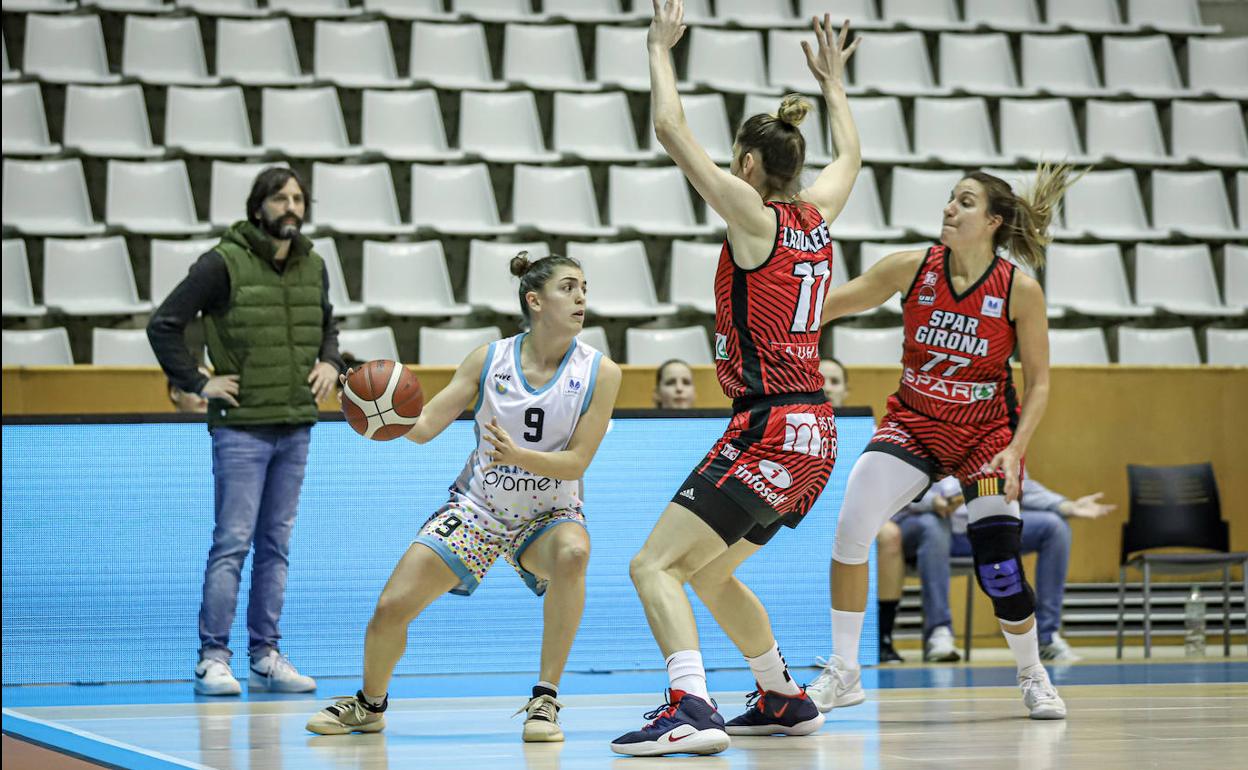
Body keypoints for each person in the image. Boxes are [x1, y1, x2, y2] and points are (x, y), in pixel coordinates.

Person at [611, 4, 861, 757]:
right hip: (817, 434)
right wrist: (834, 84)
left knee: (653, 566)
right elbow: (851, 155)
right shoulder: (818, 215)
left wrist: (659, 49)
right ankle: (783, 697)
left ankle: (690, 705)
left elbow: (669, 129)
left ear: (749, 166)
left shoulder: (755, 217)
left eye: (734, 162)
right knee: (714, 573)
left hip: (771, 423)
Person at [306, 253, 622, 743]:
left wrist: (518, 456)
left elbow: (577, 462)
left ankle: (545, 698)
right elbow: (423, 428)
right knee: (391, 607)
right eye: (568, 287)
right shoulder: (489, 359)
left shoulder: (602, 372)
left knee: (575, 552)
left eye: (584, 287)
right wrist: (371, 403)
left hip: (549, 514)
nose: (581, 297)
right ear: (535, 301)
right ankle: (369, 705)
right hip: (478, 510)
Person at [805, 161, 1081, 720]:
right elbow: (827, 307)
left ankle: (1032, 673)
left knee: (999, 568)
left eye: (965, 202)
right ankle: (844, 670)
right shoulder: (912, 267)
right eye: (951, 198)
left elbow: (1040, 383)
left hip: (986, 440)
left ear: (994, 222)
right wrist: (773, 312)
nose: (949, 208)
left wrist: (1016, 449)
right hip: (914, 425)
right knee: (853, 523)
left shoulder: (1019, 290)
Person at [147, 167, 345, 696]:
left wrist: (331, 361)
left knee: (275, 545)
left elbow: (327, 323)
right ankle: (212, 658)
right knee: (233, 543)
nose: (291, 206)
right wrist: (197, 382)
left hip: (296, 424)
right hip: (241, 428)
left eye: (298, 198)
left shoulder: (314, 264)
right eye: (280, 198)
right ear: (258, 207)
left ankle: (265, 657)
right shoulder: (222, 262)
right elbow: (163, 324)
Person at [893, 473, 1114, 663]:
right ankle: (938, 633)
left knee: (1054, 526)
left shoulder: (996, 440)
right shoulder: (926, 438)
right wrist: (932, 502)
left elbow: (1021, 486)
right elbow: (896, 488)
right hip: (929, 525)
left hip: (980, 528)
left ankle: (1047, 637)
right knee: (932, 526)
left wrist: (1066, 506)